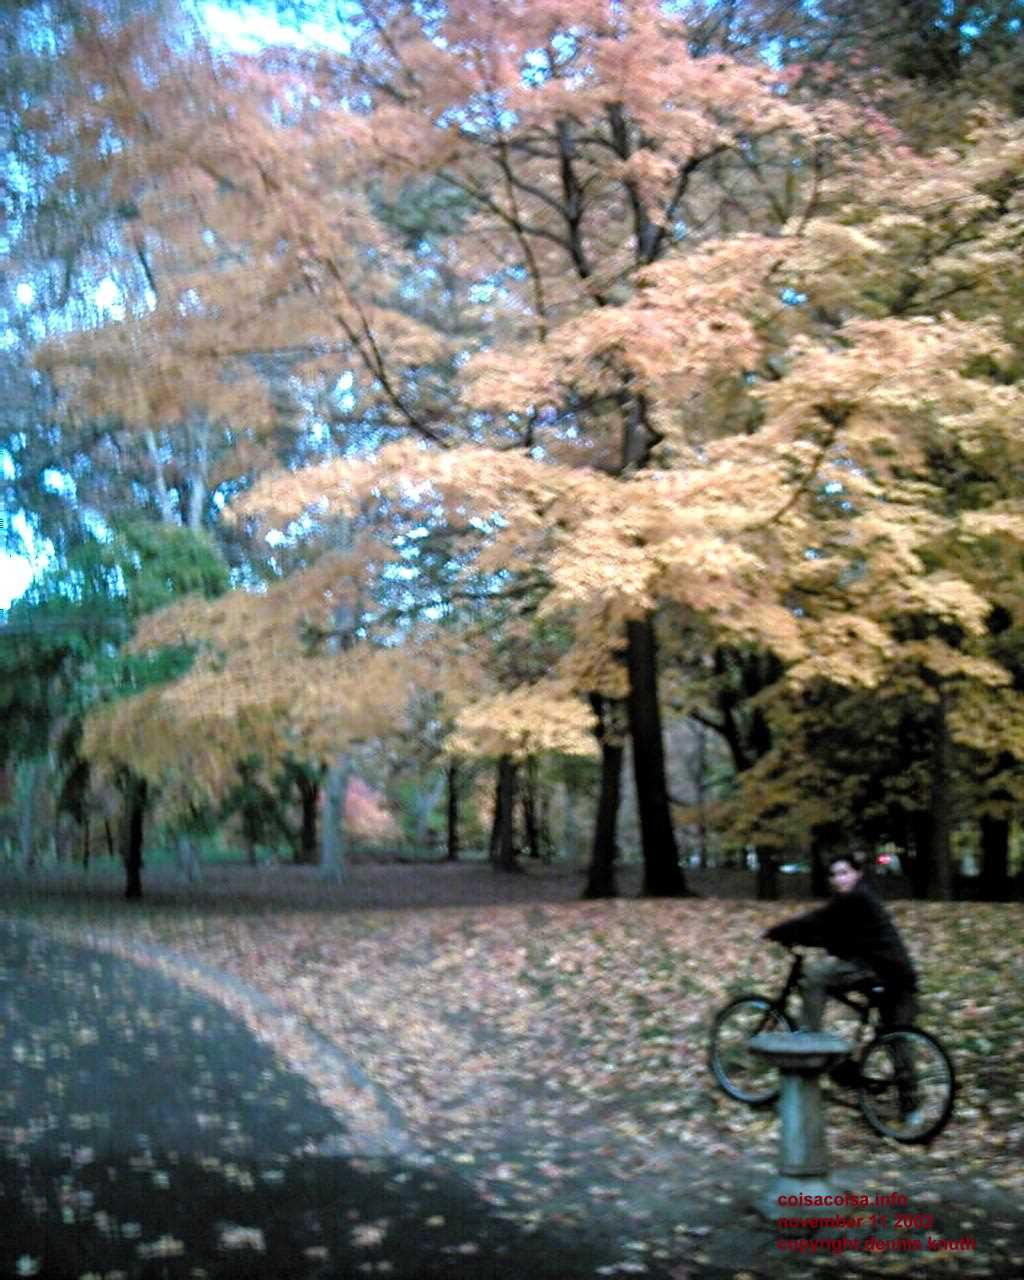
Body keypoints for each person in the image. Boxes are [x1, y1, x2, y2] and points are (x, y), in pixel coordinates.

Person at [763, 851, 918, 1034]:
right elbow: (833, 934)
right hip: (894, 971)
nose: (838, 879)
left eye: (844, 873)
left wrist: (775, 931)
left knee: (814, 974)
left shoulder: (855, 898)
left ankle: (809, 1040)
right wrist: (800, 938)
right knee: (894, 1037)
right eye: (834, 875)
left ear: (857, 874)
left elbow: (817, 920)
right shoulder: (859, 897)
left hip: (880, 969)